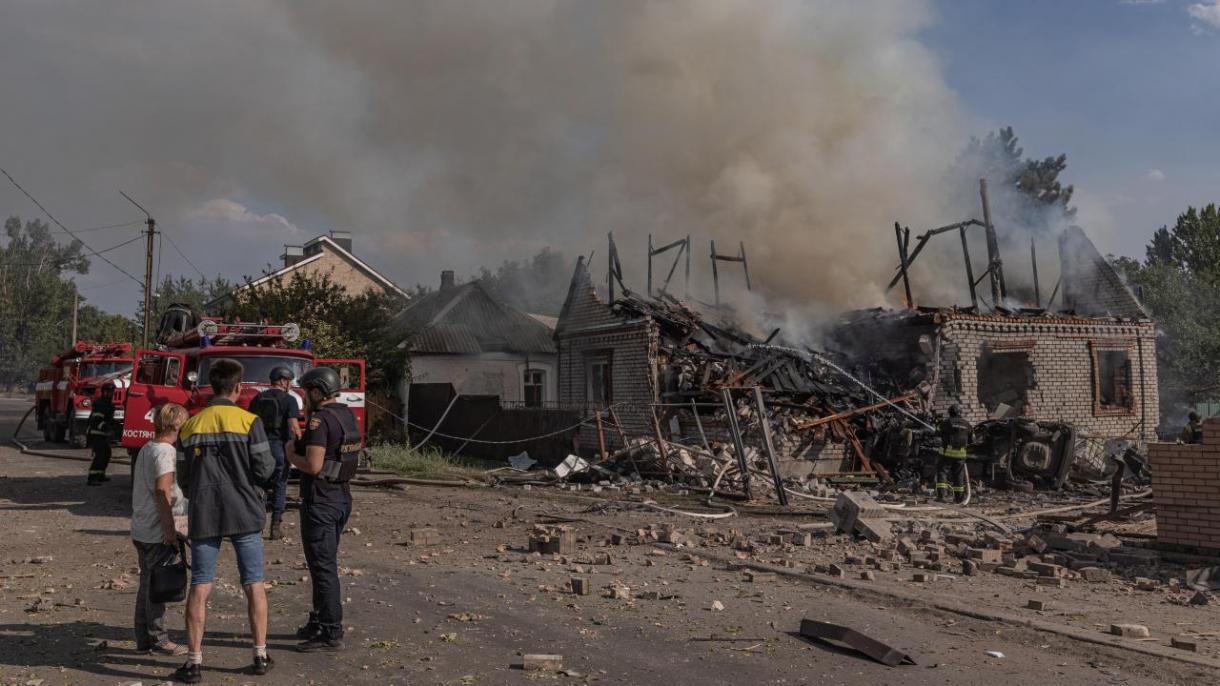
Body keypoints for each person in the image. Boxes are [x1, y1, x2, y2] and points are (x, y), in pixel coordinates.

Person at [171, 359, 276, 683]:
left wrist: (200, 492)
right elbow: (265, 469)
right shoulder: (249, 421)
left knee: (200, 586)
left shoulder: (190, 425)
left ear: (211, 387)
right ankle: (259, 655)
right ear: (238, 387)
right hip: (244, 511)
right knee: (253, 583)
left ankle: (194, 662)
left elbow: (183, 476)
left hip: (205, 512)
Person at [289, 366, 361, 652]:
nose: (304, 397)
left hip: (321, 501)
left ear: (317, 391)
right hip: (341, 497)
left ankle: (331, 631)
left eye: (307, 392)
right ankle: (319, 620)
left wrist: (291, 454)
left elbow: (314, 466)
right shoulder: (345, 414)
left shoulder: (319, 421)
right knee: (323, 564)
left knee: (323, 567)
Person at [131, 403, 190, 657]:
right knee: (157, 587)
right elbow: (162, 490)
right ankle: (159, 639)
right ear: (176, 425)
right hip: (156, 531)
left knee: (146, 584)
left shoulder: (147, 447)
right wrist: (169, 530)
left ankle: (143, 638)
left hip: (141, 527)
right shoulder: (166, 451)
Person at [250, 366, 302, 540]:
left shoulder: (257, 398)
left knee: (259, 486)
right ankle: (276, 526)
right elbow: (294, 427)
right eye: (289, 381)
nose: (290, 385)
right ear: (282, 380)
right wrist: (300, 445)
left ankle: (257, 526)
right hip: (279, 447)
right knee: (280, 484)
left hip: (258, 448)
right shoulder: (289, 400)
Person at [936, 404, 972, 504]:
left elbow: (937, 433)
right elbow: (972, 439)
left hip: (947, 453)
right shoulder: (967, 424)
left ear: (949, 413)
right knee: (959, 476)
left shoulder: (946, 423)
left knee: (942, 472)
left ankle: (942, 496)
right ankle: (959, 498)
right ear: (960, 413)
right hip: (961, 455)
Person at [85, 383, 117, 486]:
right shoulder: (100, 404)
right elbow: (96, 420)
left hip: (103, 434)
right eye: (108, 392)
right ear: (104, 392)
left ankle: (100, 475)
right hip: (96, 433)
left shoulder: (108, 404)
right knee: (99, 456)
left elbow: (109, 420)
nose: (110, 394)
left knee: (106, 454)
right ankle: (92, 478)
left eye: (112, 392)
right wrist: (107, 429)